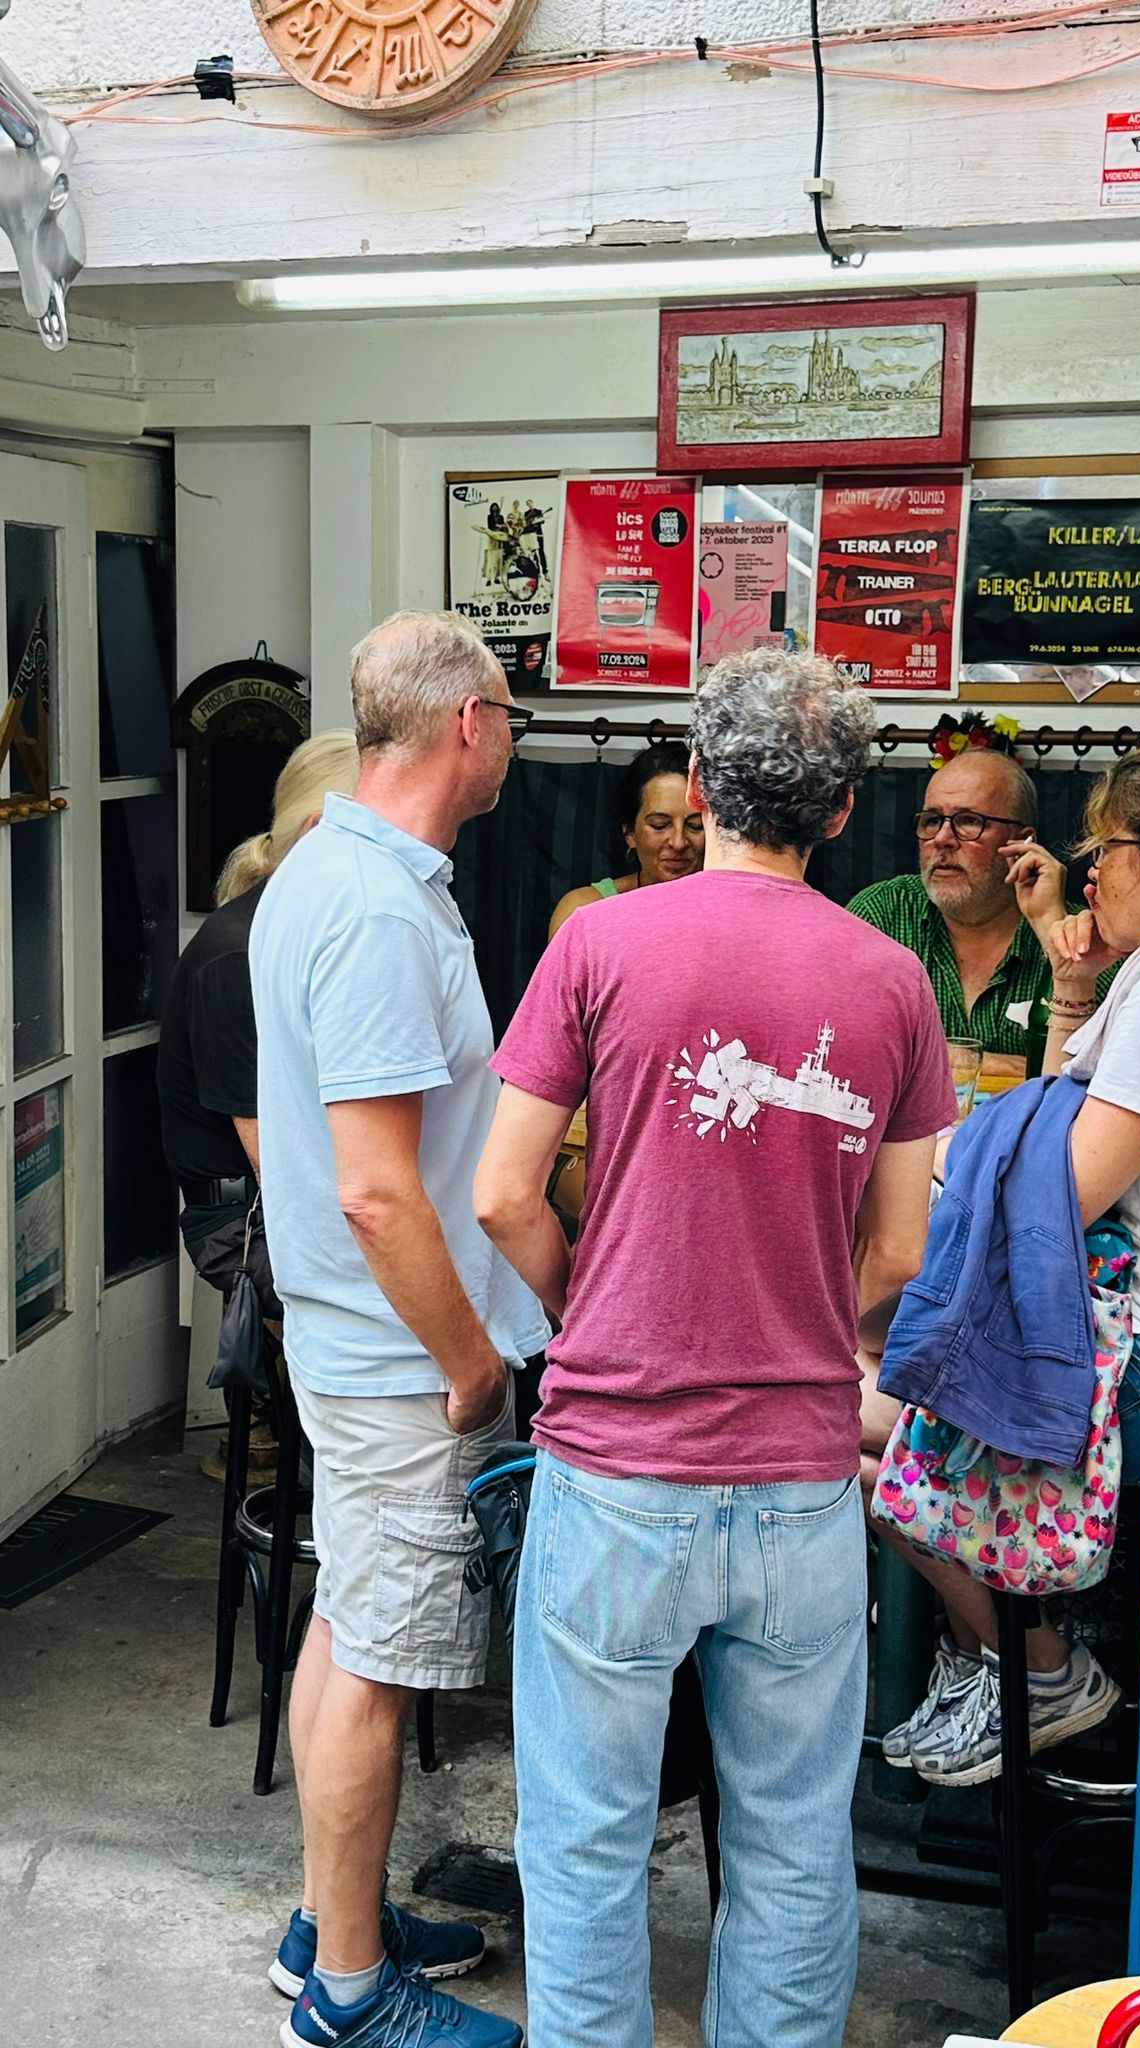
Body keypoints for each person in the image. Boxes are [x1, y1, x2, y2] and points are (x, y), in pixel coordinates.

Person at [474, 647, 956, 2048]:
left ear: (697, 785)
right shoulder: (892, 982)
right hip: (800, 1476)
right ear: (843, 811)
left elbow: (501, 1192)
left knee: (584, 1833)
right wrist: (805, 1323)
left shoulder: (599, 942)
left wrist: (593, 1307)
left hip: (616, 1465)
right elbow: (902, 1247)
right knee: (794, 1836)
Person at [250, 611, 543, 2048]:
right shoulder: (372, 906)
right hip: (399, 1360)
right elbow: (376, 1190)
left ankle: (331, 1920)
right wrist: (470, 1362)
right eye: (510, 718)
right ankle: (353, 1998)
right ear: (469, 723)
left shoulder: (339, 869)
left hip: (355, 1342)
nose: (514, 741)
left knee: (346, 1624)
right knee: (376, 1661)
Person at [863, 736, 1140, 1787]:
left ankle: (1032, 1666)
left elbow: (1059, 1189)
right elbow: (1053, 1119)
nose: (1088, 876)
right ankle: (1002, 1661)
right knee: (863, 1400)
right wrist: (1071, 979)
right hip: (1122, 1325)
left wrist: (945, 1162)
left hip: (1136, 1357)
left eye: (1104, 852)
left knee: (830, 1420)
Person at [157, 730, 361, 1378]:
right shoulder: (237, 956)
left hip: (297, 1197)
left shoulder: (308, 927)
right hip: (245, 1221)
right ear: (320, 831)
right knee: (423, 1296)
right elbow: (277, 1161)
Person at [846, 747, 1054, 1074]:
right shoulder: (882, 914)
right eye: (932, 821)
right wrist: (981, 1061)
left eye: (969, 821)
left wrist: (1052, 927)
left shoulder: (1073, 933)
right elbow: (839, 1041)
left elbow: (1104, 1073)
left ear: (1022, 843)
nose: (942, 839)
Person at [547, 740, 704, 938]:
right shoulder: (584, 910)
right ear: (630, 833)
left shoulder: (730, 909)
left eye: (695, 825)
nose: (678, 842)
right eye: (659, 825)